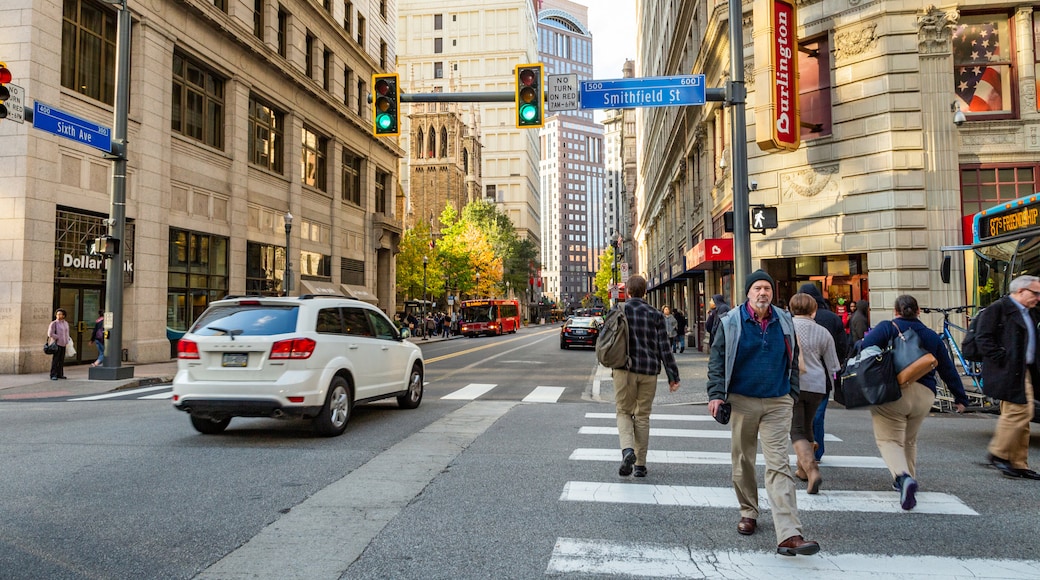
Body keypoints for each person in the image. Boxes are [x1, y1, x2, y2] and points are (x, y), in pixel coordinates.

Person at [707, 270, 820, 556]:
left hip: (777, 401)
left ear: (772, 294)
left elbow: (793, 359)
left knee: (779, 464)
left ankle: (789, 534)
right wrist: (716, 395)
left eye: (767, 289)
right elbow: (717, 359)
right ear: (748, 293)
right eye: (757, 288)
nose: (762, 293)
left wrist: (791, 393)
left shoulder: (784, 320)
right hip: (742, 399)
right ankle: (749, 511)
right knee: (743, 459)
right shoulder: (730, 321)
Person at [860, 295, 969, 509]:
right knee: (909, 440)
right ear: (918, 311)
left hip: (893, 392)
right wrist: (960, 397)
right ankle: (908, 477)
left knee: (889, 440)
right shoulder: (931, 336)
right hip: (925, 394)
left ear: (895, 311)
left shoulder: (886, 328)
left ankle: (902, 478)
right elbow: (947, 369)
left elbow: (865, 348)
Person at [613, 275, 680, 479]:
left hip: (624, 370)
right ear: (645, 292)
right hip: (649, 372)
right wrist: (673, 376)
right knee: (642, 416)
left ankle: (627, 451)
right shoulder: (655, 315)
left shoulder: (618, 311)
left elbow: (607, 339)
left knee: (624, 412)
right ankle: (640, 466)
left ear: (628, 292)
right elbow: (664, 348)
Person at [974, 275, 1040, 480]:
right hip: (1008, 371)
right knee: (1020, 412)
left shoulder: (1030, 312)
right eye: (1035, 293)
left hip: (1025, 370)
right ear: (1020, 291)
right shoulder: (999, 308)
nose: (1038, 297)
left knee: (1023, 415)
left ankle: (1018, 463)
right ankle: (998, 453)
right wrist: (1003, 358)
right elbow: (983, 337)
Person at [789, 293, 840, 494]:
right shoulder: (823, 332)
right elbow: (833, 365)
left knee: (796, 430)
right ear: (814, 310)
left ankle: (811, 471)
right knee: (808, 426)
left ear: (791, 309)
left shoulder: (787, 327)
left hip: (794, 383)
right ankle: (802, 470)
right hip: (817, 385)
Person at [797, 283, 848, 464]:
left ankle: (804, 452)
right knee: (818, 415)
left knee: (798, 419)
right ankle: (816, 451)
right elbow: (843, 346)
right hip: (822, 378)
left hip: (795, 378)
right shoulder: (832, 319)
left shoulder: (789, 321)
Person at [46, 308, 71, 381]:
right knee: (55, 360)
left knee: (61, 360)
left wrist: (67, 339)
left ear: (63, 315)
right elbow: (50, 333)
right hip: (57, 344)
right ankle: (53, 374)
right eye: (57, 314)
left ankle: (60, 374)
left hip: (64, 343)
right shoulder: (54, 323)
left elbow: (67, 332)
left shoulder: (65, 323)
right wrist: (58, 337)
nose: (59, 315)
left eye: (60, 314)